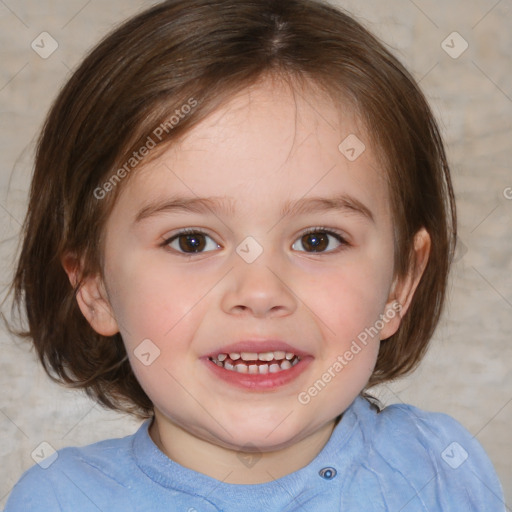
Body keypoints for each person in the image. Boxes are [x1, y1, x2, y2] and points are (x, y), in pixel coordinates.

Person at [5, 0, 506, 510]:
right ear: (95, 286)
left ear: (400, 282)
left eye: (318, 240)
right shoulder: (62, 501)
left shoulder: (441, 468)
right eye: (191, 241)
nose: (260, 292)